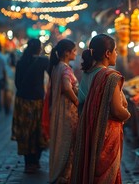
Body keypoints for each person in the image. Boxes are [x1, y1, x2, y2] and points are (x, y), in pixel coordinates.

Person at [71, 34, 130, 184]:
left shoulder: (92, 74)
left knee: (94, 168)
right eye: (115, 50)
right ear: (107, 53)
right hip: (107, 131)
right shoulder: (110, 77)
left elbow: (82, 100)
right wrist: (127, 114)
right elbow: (117, 110)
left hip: (91, 128)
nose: (117, 54)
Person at [11, 39, 49, 173]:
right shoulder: (43, 61)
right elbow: (53, 72)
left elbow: (16, 83)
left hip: (22, 101)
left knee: (25, 132)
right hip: (37, 101)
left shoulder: (21, 62)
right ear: (39, 48)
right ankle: (36, 161)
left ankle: (28, 163)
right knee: (37, 132)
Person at [48, 39, 79, 184]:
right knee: (69, 144)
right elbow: (66, 87)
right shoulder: (65, 68)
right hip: (68, 112)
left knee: (62, 142)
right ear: (67, 53)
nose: (75, 53)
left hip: (59, 110)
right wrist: (76, 101)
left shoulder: (56, 67)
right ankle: (65, 177)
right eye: (73, 51)